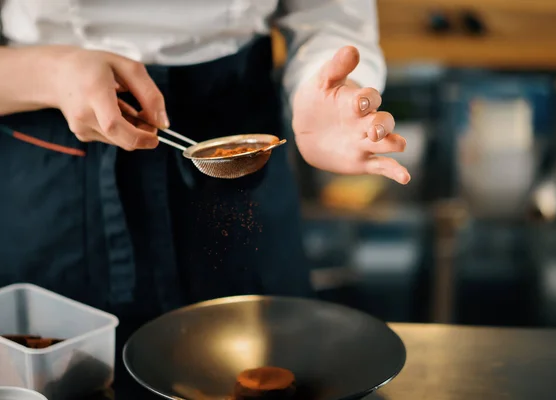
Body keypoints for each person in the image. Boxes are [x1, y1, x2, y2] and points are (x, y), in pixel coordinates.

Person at [0, 0, 408, 347]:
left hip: (237, 148)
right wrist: (49, 73)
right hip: (55, 172)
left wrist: (329, 86)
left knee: (269, 368)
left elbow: (328, 15)